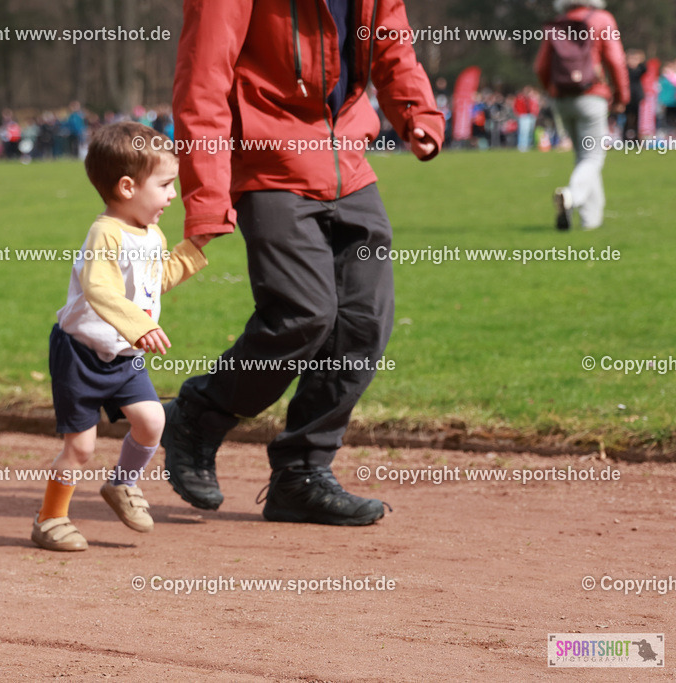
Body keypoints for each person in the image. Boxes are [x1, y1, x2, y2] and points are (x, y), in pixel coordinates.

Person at [163, 1, 444, 526]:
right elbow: (204, 75)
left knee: (363, 323)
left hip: (348, 162)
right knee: (303, 312)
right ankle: (199, 416)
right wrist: (205, 196)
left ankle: (302, 474)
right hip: (268, 162)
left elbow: (390, 43)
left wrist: (416, 112)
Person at [32, 121, 209, 551]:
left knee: (152, 422)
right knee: (81, 447)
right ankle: (49, 520)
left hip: (125, 351)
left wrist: (193, 248)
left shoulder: (151, 233)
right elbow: (100, 290)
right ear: (128, 187)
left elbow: (152, 280)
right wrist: (140, 325)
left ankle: (122, 484)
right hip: (82, 354)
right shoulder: (105, 234)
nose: (172, 196)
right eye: (166, 185)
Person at [535, 0, 629, 231]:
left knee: (583, 157)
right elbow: (616, 60)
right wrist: (621, 96)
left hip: (562, 99)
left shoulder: (557, 23)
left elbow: (541, 66)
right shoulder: (601, 19)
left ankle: (591, 220)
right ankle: (571, 197)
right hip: (592, 95)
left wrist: (553, 91)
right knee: (593, 157)